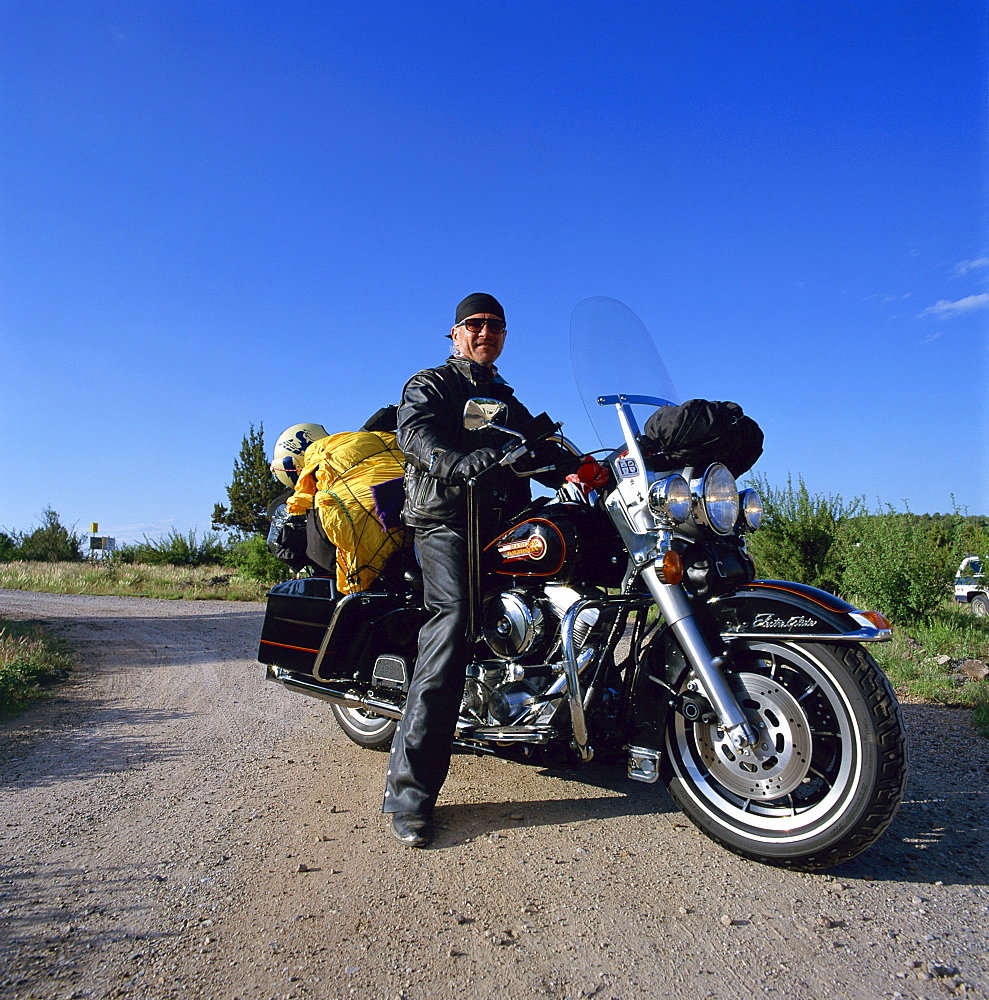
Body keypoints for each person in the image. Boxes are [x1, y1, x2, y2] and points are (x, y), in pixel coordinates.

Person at [382, 292, 576, 847]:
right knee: (455, 623)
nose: (485, 332)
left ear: (505, 336)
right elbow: (415, 433)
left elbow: (540, 447)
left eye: (495, 325)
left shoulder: (504, 399)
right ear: (456, 333)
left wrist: (586, 467)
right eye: (475, 324)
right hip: (446, 522)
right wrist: (451, 461)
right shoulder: (431, 384)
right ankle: (408, 793)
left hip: (500, 523)